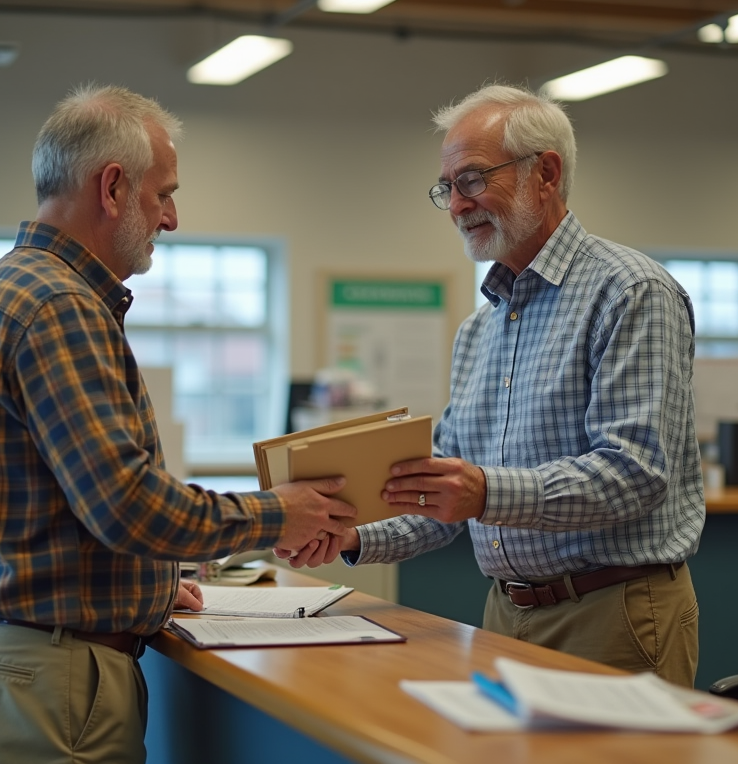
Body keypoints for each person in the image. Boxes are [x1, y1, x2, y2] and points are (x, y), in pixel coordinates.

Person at [0, 83, 356, 764]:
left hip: (19, 663)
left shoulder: (11, 290)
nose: (172, 218)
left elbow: (62, 507)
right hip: (55, 677)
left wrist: (150, 586)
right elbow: (124, 503)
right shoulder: (58, 305)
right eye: (164, 194)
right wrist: (279, 514)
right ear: (113, 188)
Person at [278, 83, 704, 688]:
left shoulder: (630, 292)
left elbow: (634, 473)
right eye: (447, 188)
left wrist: (485, 493)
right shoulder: (479, 330)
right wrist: (349, 535)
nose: (456, 205)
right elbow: (445, 498)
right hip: (505, 611)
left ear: (546, 173)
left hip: (612, 612)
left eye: (473, 179)